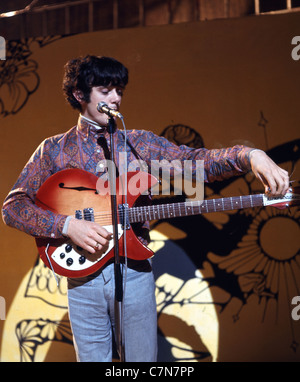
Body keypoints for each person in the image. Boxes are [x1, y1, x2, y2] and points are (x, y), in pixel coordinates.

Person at [2, 55, 289, 362]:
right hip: (82, 281)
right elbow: (13, 207)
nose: (115, 98)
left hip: (134, 272)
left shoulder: (137, 142)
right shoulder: (53, 150)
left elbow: (197, 163)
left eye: (119, 90)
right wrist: (66, 225)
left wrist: (251, 155)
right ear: (79, 94)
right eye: (105, 90)